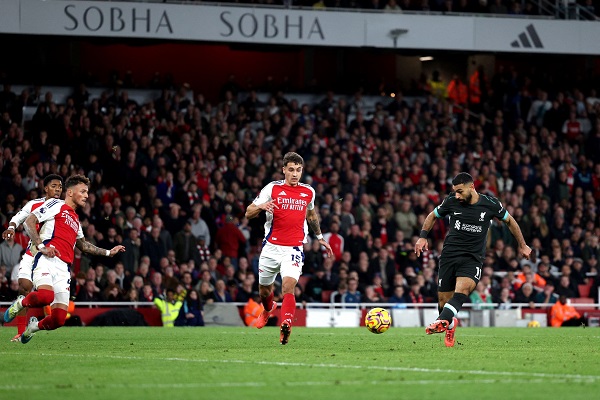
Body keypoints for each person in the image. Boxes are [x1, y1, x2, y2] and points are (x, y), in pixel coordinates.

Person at [3, 175, 126, 344]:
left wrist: (107, 253)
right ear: (69, 192)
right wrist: (40, 246)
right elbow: (29, 221)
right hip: (46, 259)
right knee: (45, 296)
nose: (86, 195)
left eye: (87, 192)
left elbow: (83, 245)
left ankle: (33, 327)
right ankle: (20, 304)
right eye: (82, 191)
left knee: (59, 320)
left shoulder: (75, 219)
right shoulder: (55, 204)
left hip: (64, 269)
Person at [415, 172, 531, 347]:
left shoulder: (490, 204)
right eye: (455, 191)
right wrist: (423, 237)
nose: (457, 195)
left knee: (463, 290)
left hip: (472, 258)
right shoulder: (451, 201)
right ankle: (450, 323)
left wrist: (522, 245)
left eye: (460, 191)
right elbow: (432, 216)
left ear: (472, 187)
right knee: (443, 302)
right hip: (449, 256)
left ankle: (441, 321)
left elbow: (510, 221)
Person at [245, 151, 333, 345]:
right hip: (271, 247)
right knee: (264, 291)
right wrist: (262, 206)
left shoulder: (308, 191)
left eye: (298, 170)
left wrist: (320, 237)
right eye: (291, 170)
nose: (295, 174)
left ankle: (286, 324)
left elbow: (311, 215)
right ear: (283, 170)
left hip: (293, 248)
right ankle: (268, 310)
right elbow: (248, 212)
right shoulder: (272, 188)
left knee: (288, 287)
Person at [1, 173, 63, 342]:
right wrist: (12, 228)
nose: (57, 189)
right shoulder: (34, 204)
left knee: (46, 295)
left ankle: (33, 322)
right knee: (23, 287)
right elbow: (19, 217)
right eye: (54, 186)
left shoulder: (62, 208)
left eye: (60, 187)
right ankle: (20, 332)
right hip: (32, 253)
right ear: (45, 188)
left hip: (51, 257)